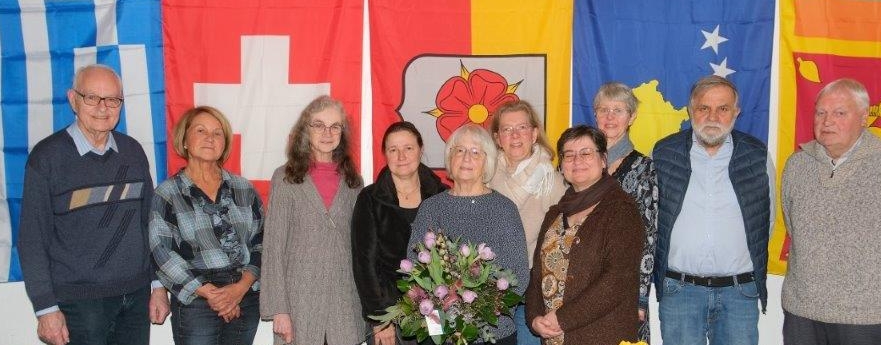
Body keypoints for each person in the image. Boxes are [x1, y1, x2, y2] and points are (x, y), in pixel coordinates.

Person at [17, 64, 169, 345]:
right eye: (92, 98)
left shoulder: (133, 152)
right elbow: (32, 238)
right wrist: (46, 308)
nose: (103, 108)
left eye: (112, 100)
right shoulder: (47, 158)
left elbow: (150, 225)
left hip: (135, 297)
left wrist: (158, 285)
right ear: (73, 99)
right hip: (78, 303)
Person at [652, 75, 773, 345]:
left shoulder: (757, 155)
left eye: (723, 108)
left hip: (739, 293)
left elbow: (768, 220)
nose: (713, 116)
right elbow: (652, 222)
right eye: (704, 108)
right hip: (680, 292)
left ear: (736, 113)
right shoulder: (663, 153)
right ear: (690, 111)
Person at [149, 106, 264, 344]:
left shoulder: (244, 189)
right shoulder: (168, 193)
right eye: (201, 130)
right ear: (185, 140)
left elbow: (263, 242)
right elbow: (161, 252)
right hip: (196, 298)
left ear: (225, 143)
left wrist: (239, 289)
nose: (210, 138)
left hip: (244, 296)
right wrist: (213, 294)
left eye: (217, 133)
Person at [408, 124, 529, 345]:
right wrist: (443, 317)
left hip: (493, 332)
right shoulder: (431, 207)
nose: (466, 158)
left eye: (475, 152)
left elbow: (519, 274)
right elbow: (415, 266)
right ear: (450, 158)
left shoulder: (504, 209)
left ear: (487, 162)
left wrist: (478, 312)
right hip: (440, 331)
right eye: (460, 150)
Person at [781, 78, 881, 345]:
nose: (827, 121)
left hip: (866, 317)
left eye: (839, 113)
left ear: (863, 118)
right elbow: (794, 227)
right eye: (820, 112)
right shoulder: (797, 165)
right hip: (802, 312)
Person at [261, 95, 365, 345]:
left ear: (343, 132)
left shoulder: (354, 181)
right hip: (299, 303)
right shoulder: (285, 178)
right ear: (305, 130)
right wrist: (279, 309)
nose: (327, 133)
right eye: (318, 125)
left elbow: (361, 248)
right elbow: (274, 247)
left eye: (335, 126)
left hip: (344, 304)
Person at [525, 125, 643, 345]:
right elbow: (537, 275)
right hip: (554, 336)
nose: (576, 161)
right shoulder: (555, 213)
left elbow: (617, 279)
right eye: (569, 155)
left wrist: (562, 319)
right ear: (561, 165)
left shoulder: (621, 210)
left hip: (603, 335)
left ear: (603, 159)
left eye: (586, 153)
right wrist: (534, 318)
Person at [352, 121, 448, 345]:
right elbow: (364, 264)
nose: (401, 156)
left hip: (437, 309)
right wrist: (380, 320)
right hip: (390, 314)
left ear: (421, 150)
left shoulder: (442, 195)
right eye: (393, 149)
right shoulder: (370, 199)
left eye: (408, 148)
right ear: (385, 154)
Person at [487, 100, 566, 345]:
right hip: (486, 288)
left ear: (534, 134)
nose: (515, 135)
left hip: (532, 291)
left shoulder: (552, 180)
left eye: (521, 127)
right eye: (507, 129)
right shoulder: (484, 174)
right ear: (497, 138)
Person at [592, 82, 658, 342]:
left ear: (631, 117)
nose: (610, 117)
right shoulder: (577, 163)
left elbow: (649, 236)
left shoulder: (644, 169)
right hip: (580, 287)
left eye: (618, 110)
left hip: (624, 289)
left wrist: (640, 297)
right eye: (604, 109)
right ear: (595, 115)